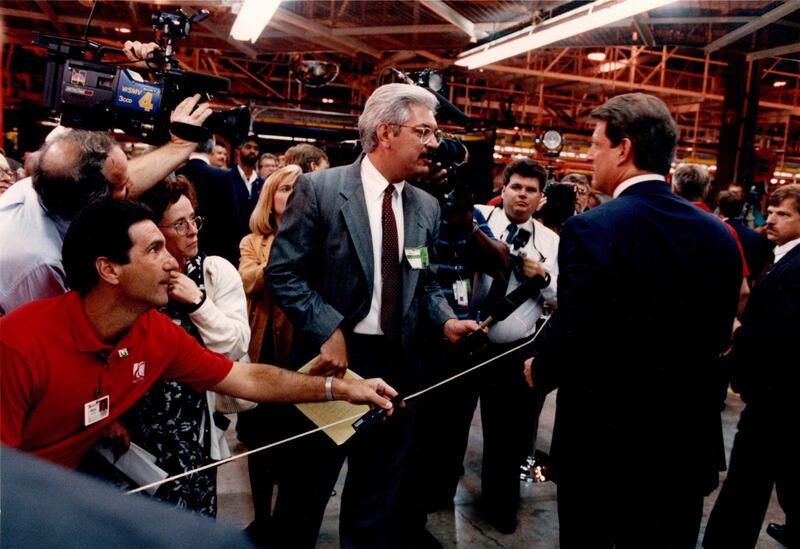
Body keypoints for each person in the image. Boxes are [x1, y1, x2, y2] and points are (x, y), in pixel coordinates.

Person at [0, 199, 397, 471]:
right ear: (109, 269)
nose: (173, 261)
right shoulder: (18, 345)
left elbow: (243, 377)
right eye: (154, 249)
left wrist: (341, 389)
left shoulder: (153, 331)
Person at [523, 93, 742, 548]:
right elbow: (719, 333)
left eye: (596, 144)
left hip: (604, 443)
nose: (590, 155)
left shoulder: (593, 227)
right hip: (684, 444)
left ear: (623, 149)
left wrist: (540, 370)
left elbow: (577, 327)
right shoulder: (718, 235)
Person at [264, 83, 478, 548]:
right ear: (385, 131)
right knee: (304, 495)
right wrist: (329, 329)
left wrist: (444, 318)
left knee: (375, 502)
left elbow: (427, 280)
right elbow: (283, 274)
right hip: (330, 368)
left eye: (436, 133)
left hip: (397, 368)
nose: (434, 143)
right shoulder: (320, 190)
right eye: (425, 131)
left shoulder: (425, 205)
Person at [0, 94, 212, 316]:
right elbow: (53, 335)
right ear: (92, 205)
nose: (130, 187)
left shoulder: (54, 178)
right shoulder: (41, 263)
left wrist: (179, 143)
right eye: (121, 187)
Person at [111, 175, 248, 516]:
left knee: (194, 517)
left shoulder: (215, 273)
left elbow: (234, 347)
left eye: (194, 219)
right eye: (179, 223)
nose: (192, 230)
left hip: (195, 424)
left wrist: (199, 304)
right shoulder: (131, 279)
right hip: (136, 426)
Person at [703, 184, 800, 549]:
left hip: (776, 397)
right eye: (771, 211)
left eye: (784, 213)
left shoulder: (796, 266)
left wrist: (740, 334)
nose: (772, 219)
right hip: (776, 394)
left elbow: (784, 333)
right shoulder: (783, 257)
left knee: (747, 483)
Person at [469, 157, 559, 534]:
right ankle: (434, 496)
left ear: (540, 199)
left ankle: (500, 506)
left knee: (507, 437)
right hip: (463, 344)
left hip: (513, 350)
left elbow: (563, 296)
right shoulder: (475, 224)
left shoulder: (552, 241)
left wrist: (543, 276)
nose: (522, 195)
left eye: (531, 190)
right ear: (502, 189)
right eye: (516, 187)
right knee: (447, 430)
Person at [237, 164, 302, 543]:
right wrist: (282, 253)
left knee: (295, 444)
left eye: (298, 189)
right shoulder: (253, 241)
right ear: (270, 197)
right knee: (260, 444)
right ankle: (261, 519)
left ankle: (284, 521)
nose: (292, 196)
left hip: (301, 353)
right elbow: (248, 280)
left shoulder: (318, 237)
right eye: (285, 189)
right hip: (263, 353)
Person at [176, 138, 241, 265]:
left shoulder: (176, 174)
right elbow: (233, 220)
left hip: (181, 251)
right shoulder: (222, 176)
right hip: (216, 254)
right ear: (212, 149)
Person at [718, 189, 774, 285]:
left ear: (719, 208)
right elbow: (760, 265)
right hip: (745, 285)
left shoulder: (716, 231)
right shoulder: (755, 237)